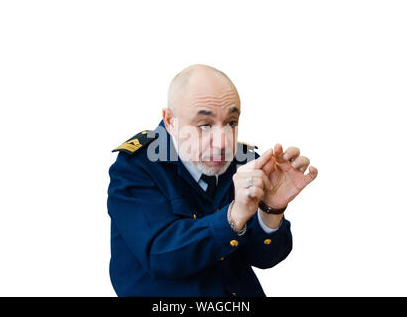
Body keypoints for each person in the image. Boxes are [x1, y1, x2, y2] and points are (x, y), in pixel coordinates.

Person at [107, 64, 318, 297]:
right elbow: (161, 256)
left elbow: (265, 259)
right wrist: (234, 216)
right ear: (170, 121)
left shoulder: (245, 162)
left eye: (231, 122)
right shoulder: (136, 166)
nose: (223, 143)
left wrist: (271, 210)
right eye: (205, 125)